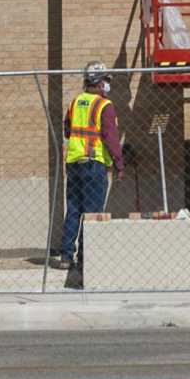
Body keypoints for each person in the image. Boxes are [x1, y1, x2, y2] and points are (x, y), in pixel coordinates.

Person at [54, 63, 125, 272]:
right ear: (97, 81)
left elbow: (67, 130)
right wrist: (119, 164)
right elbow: (110, 137)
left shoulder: (75, 102)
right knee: (92, 212)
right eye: (106, 81)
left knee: (74, 209)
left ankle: (66, 257)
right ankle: (86, 258)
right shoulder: (104, 105)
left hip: (74, 163)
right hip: (94, 164)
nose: (107, 85)